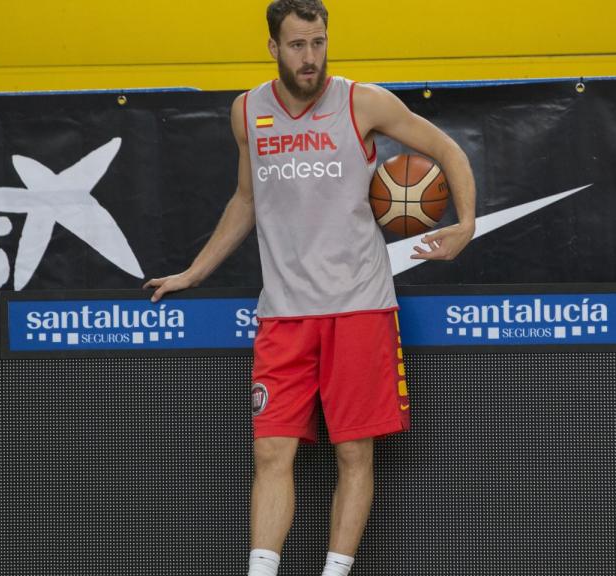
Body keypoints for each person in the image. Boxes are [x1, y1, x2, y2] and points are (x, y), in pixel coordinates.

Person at [142, 1, 477, 575]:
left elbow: (447, 150)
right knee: (270, 450)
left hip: (360, 307)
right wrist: (195, 271)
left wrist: (465, 225)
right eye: (297, 45)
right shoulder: (247, 111)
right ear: (273, 47)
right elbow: (246, 200)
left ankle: (336, 571)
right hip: (284, 313)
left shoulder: (361, 100)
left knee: (354, 452)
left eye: (319, 42)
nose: (310, 57)